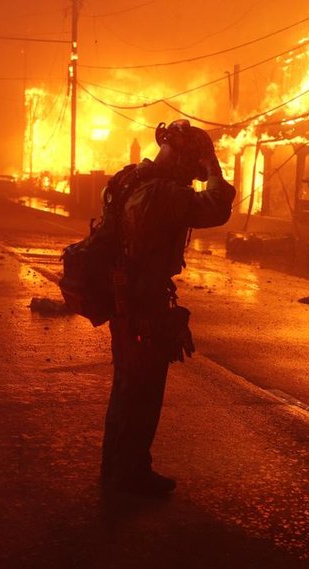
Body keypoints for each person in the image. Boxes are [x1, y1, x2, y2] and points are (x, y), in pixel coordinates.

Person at [100, 119, 236, 497]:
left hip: (122, 301)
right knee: (142, 393)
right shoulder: (164, 194)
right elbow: (217, 205)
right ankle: (130, 480)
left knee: (126, 390)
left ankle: (117, 472)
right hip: (144, 305)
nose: (193, 177)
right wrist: (212, 168)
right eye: (192, 168)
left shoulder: (128, 180)